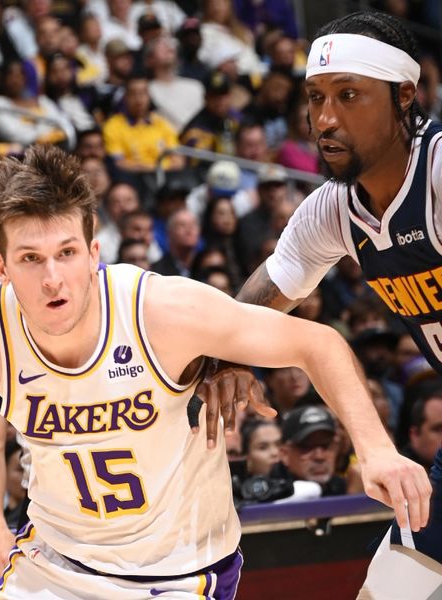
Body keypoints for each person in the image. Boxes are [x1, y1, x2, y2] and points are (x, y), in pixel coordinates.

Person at [0, 145, 427, 598]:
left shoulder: (163, 310)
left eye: (67, 252)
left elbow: (318, 343)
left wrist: (375, 448)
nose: (54, 277)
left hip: (175, 576)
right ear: (1, 267)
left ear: (94, 250)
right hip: (54, 566)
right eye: (31, 259)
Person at [192, 12, 442, 600]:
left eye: (349, 96)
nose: (325, 119)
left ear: (404, 97)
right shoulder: (334, 210)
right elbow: (258, 301)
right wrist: (229, 357)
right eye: (316, 98)